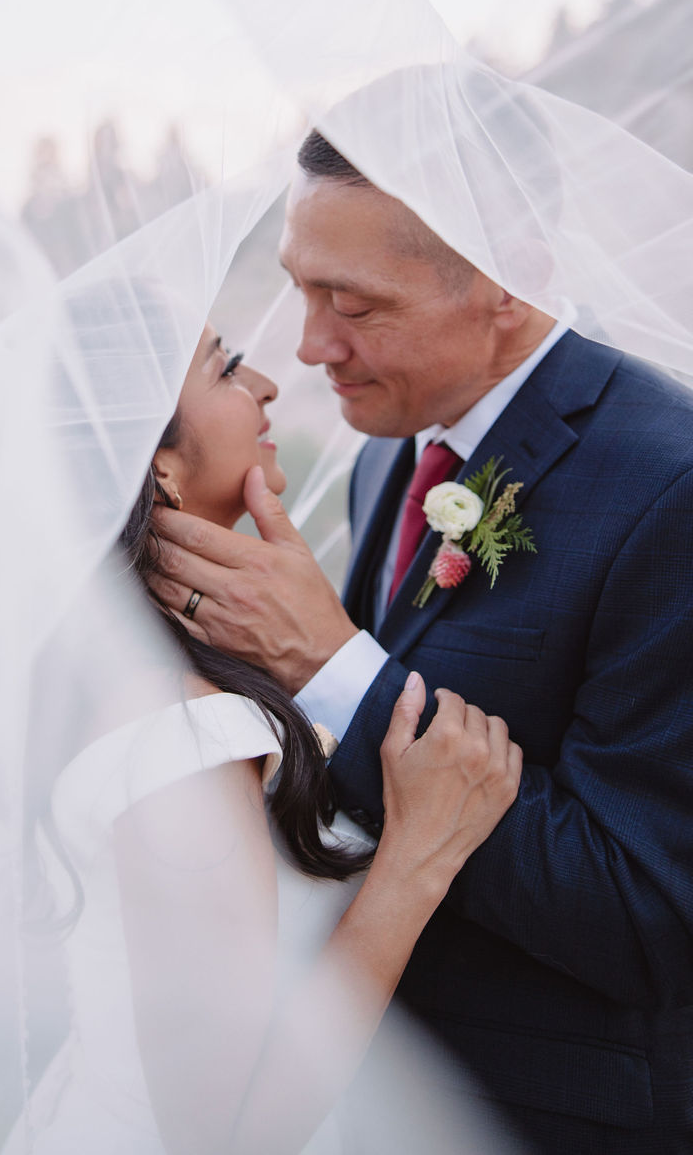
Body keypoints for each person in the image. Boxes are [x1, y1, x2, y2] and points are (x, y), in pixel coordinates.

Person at [150, 132, 693, 1154]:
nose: (309, 347)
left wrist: (331, 663)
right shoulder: (387, 453)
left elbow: (649, 914)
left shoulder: (669, 487)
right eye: (299, 290)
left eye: (353, 305)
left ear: (509, 275)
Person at [11, 317, 523, 1153]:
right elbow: (224, 1129)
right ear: (159, 467)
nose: (268, 387)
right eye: (228, 370)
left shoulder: (148, 678)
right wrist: (419, 855)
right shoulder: (182, 738)